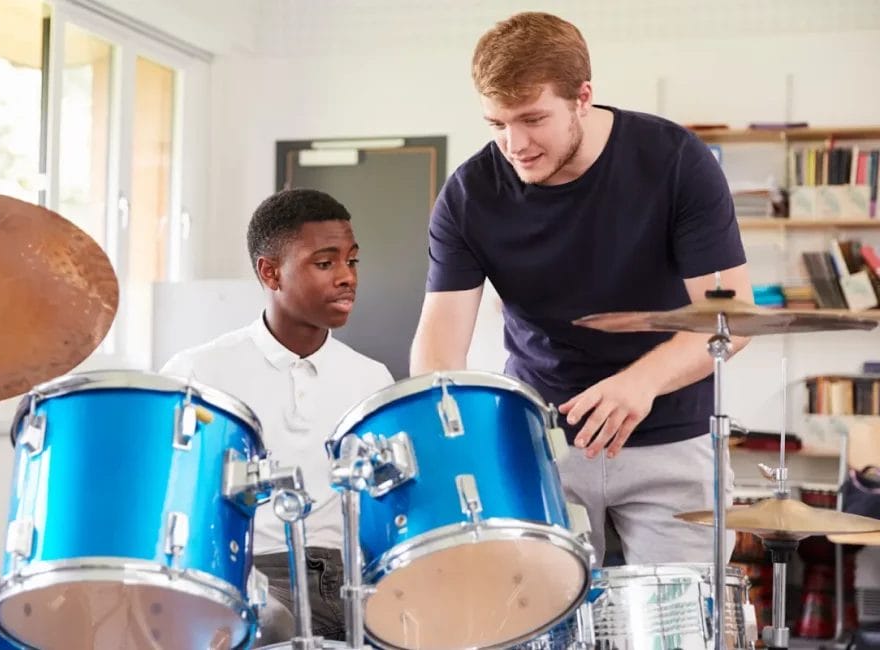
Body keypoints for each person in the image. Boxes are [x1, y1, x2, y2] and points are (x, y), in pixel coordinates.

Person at [408, 11, 752, 567]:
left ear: (582, 97)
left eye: (532, 119)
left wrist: (639, 382)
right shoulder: (468, 195)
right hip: (540, 444)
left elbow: (730, 317)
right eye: (496, 124)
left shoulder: (675, 161)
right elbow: (437, 348)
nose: (514, 144)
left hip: (670, 436)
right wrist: (454, 437)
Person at [161, 188, 393, 645]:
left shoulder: (372, 378)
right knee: (270, 625)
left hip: (352, 578)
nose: (347, 277)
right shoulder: (198, 373)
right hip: (253, 575)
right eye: (325, 264)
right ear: (270, 272)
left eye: (352, 261)